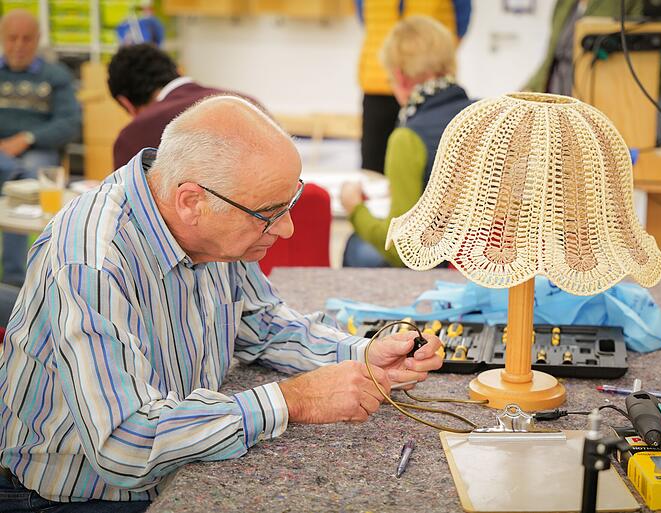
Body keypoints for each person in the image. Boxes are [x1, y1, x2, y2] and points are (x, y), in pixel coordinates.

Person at [0, 95, 444, 511]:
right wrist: (291, 401)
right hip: (75, 496)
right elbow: (124, 444)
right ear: (192, 201)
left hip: (176, 465)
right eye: (270, 212)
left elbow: (263, 323)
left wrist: (362, 354)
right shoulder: (91, 263)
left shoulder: (213, 229)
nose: (287, 229)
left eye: (288, 203)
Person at [341, 16, 473, 267]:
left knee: (356, 245)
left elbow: (403, 250)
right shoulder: (486, 113)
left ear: (400, 77)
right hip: (485, 263)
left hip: (439, 267)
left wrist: (355, 209)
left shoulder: (407, 138)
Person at [0, 9, 81, 286]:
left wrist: (27, 137)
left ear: (38, 40)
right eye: (12, 38)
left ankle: (15, 277)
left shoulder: (55, 75)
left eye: (26, 39)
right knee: (17, 172)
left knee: (30, 173)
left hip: (37, 148)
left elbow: (70, 123)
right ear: (2, 38)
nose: (19, 46)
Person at [108, 43, 269, 169]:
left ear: (126, 103)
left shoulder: (135, 134)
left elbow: (126, 206)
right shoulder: (247, 104)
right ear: (177, 70)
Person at [356, 0, 471, 173]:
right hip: (378, 85)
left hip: (428, 80)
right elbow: (366, 19)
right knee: (375, 168)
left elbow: (461, 22)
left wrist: (424, 62)